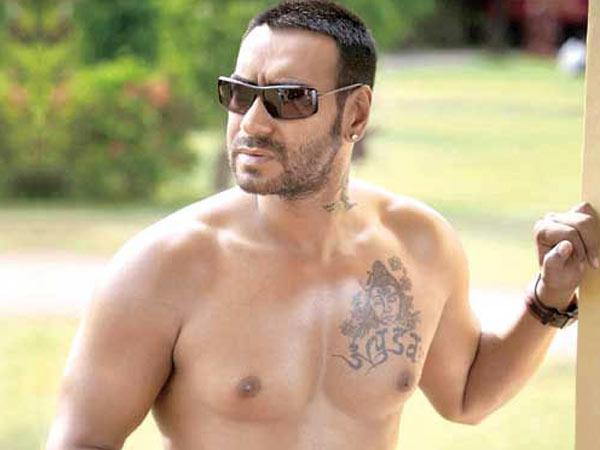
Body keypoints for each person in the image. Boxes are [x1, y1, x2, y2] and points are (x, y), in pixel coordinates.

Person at [45, 1, 599, 449]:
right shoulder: (164, 267)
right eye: (239, 94)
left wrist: (551, 294)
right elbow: (82, 441)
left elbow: (467, 396)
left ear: (356, 114)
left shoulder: (418, 245)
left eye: (288, 99)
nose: (252, 122)